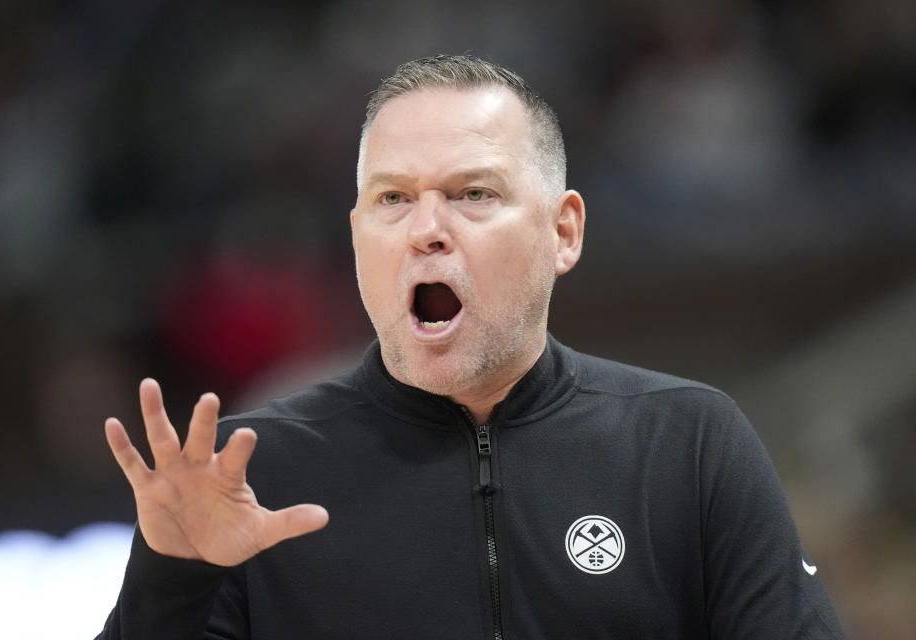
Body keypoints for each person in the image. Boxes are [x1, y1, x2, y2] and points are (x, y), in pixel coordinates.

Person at [97, 55, 845, 639]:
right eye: (392, 198)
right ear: (358, 236)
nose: (426, 228)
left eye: (472, 194)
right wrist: (170, 582)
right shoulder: (251, 473)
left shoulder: (688, 443)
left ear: (563, 231)